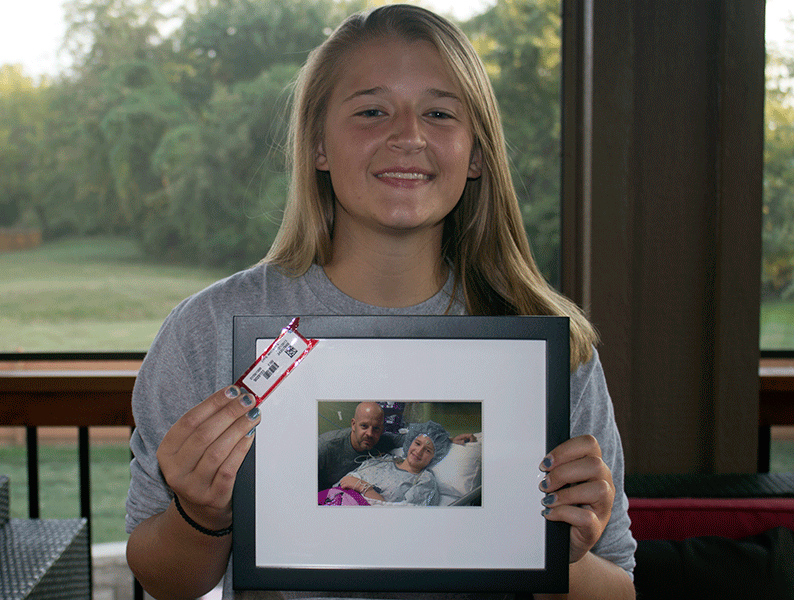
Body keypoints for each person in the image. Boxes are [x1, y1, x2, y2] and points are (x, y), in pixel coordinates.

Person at [125, 5, 636, 599]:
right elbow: (163, 579)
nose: (407, 136)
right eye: (371, 110)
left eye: (440, 113)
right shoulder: (208, 330)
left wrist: (560, 554)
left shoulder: (552, 352)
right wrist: (200, 514)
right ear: (317, 144)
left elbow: (618, 585)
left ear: (475, 153)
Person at [336, 421, 451, 506]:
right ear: (410, 442)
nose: (419, 451)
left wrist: (364, 488)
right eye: (417, 443)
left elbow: (404, 515)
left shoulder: (425, 481)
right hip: (334, 499)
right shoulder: (385, 460)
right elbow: (348, 480)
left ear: (434, 457)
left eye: (428, 450)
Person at [317, 401, 401, 491]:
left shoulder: (383, 440)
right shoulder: (324, 447)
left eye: (376, 428)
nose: (370, 434)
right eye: (364, 426)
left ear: (381, 430)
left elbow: (411, 439)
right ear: (353, 425)